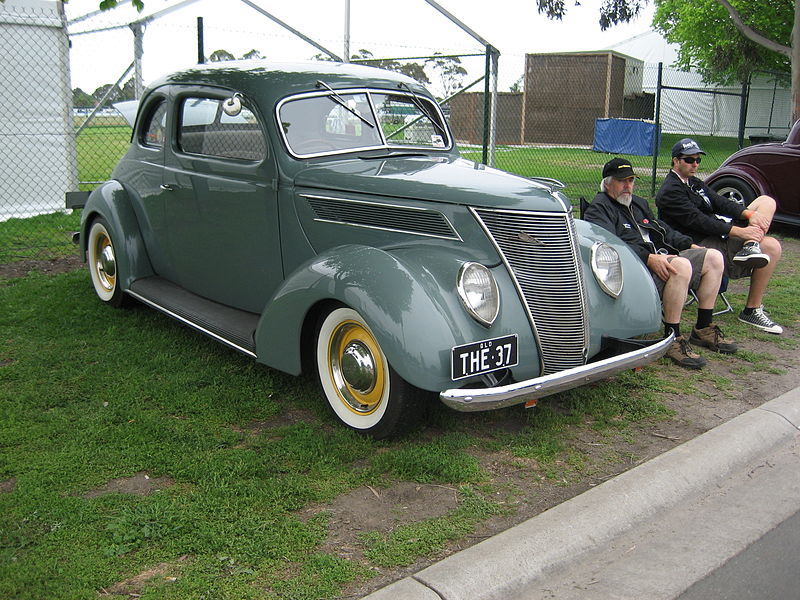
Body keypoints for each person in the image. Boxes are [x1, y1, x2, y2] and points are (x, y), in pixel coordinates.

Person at [584, 158, 737, 370]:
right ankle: (672, 338)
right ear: (607, 183)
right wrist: (649, 258)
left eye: (631, 180)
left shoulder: (638, 203)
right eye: (621, 181)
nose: (628, 186)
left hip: (663, 259)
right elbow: (610, 247)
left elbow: (663, 230)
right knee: (681, 266)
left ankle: (703, 328)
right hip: (635, 273)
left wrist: (690, 245)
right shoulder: (599, 209)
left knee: (713, 256)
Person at [656, 138, 783, 334]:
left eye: (698, 160)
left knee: (766, 202)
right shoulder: (670, 191)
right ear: (676, 161)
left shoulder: (694, 183)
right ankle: (749, 308)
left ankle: (751, 254)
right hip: (700, 245)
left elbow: (720, 202)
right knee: (772, 247)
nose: (695, 164)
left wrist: (749, 215)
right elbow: (698, 221)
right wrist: (740, 231)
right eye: (689, 160)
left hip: (720, 234)